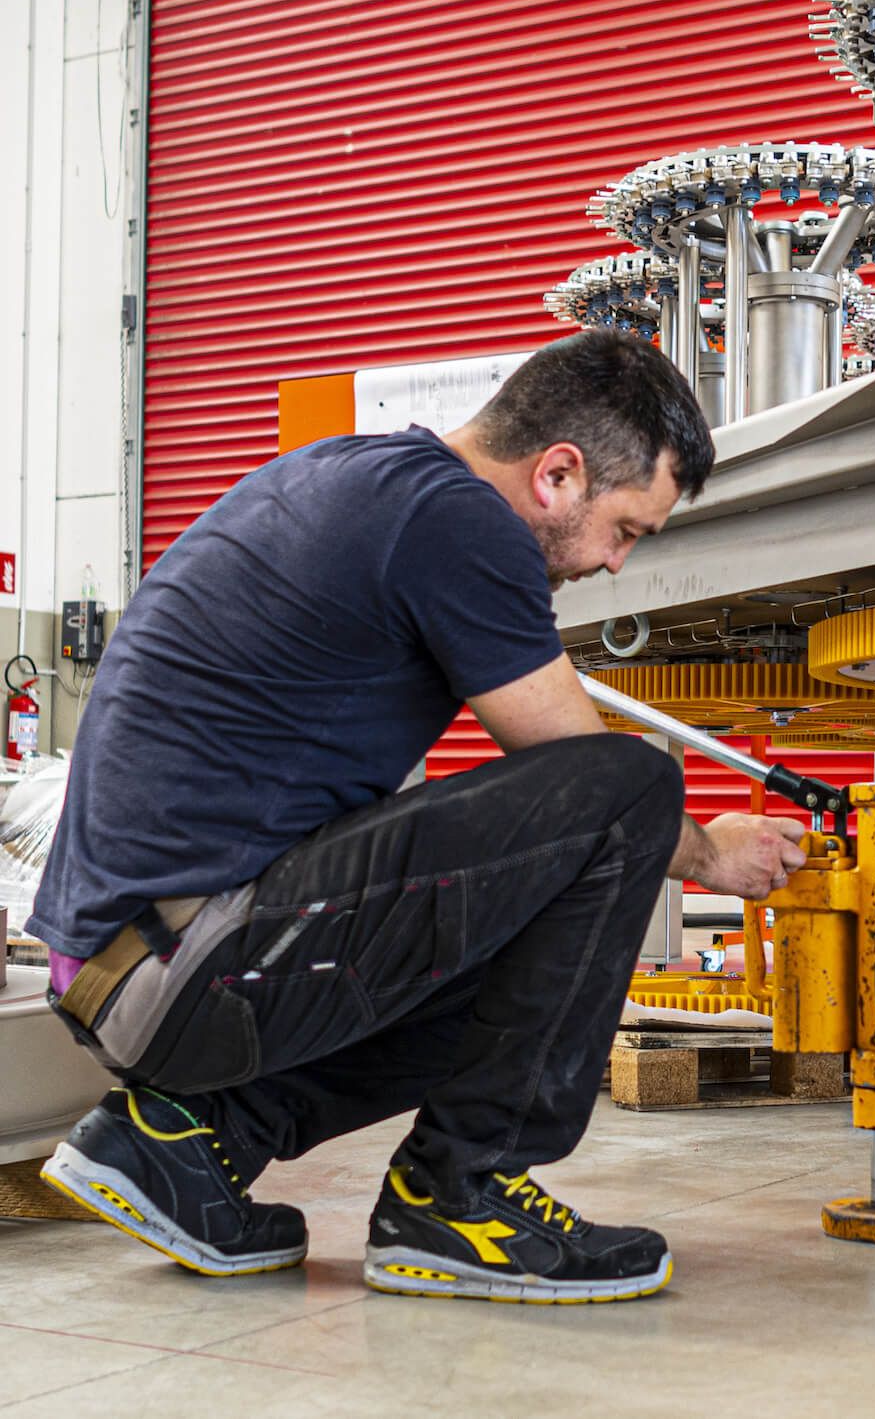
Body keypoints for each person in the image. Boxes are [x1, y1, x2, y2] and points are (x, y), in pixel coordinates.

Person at [30, 329, 806, 1305]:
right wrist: (712, 852)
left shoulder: (365, 472)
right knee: (631, 788)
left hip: (132, 965)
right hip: (188, 961)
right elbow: (574, 763)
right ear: (558, 474)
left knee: (523, 924)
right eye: (627, 527)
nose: (615, 563)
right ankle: (462, 1192)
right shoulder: (459, 521)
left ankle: (187, 1138)